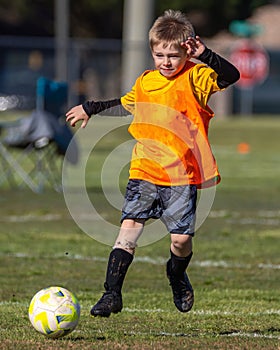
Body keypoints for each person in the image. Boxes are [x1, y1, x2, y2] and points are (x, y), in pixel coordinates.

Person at [66, 9, 240, 317]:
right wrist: (90, 108)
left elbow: (231, 76)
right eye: (160, 55)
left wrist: (206, 55)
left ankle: (175, 274)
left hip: (182, 175)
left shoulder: (196, 77)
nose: (166, 62)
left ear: (186, 51)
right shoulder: (146, 82)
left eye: (173, 55)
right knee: (129, 229)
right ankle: (111, 294)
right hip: (144, 169)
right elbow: (125, 103)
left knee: (181, 240)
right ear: (152, 53)